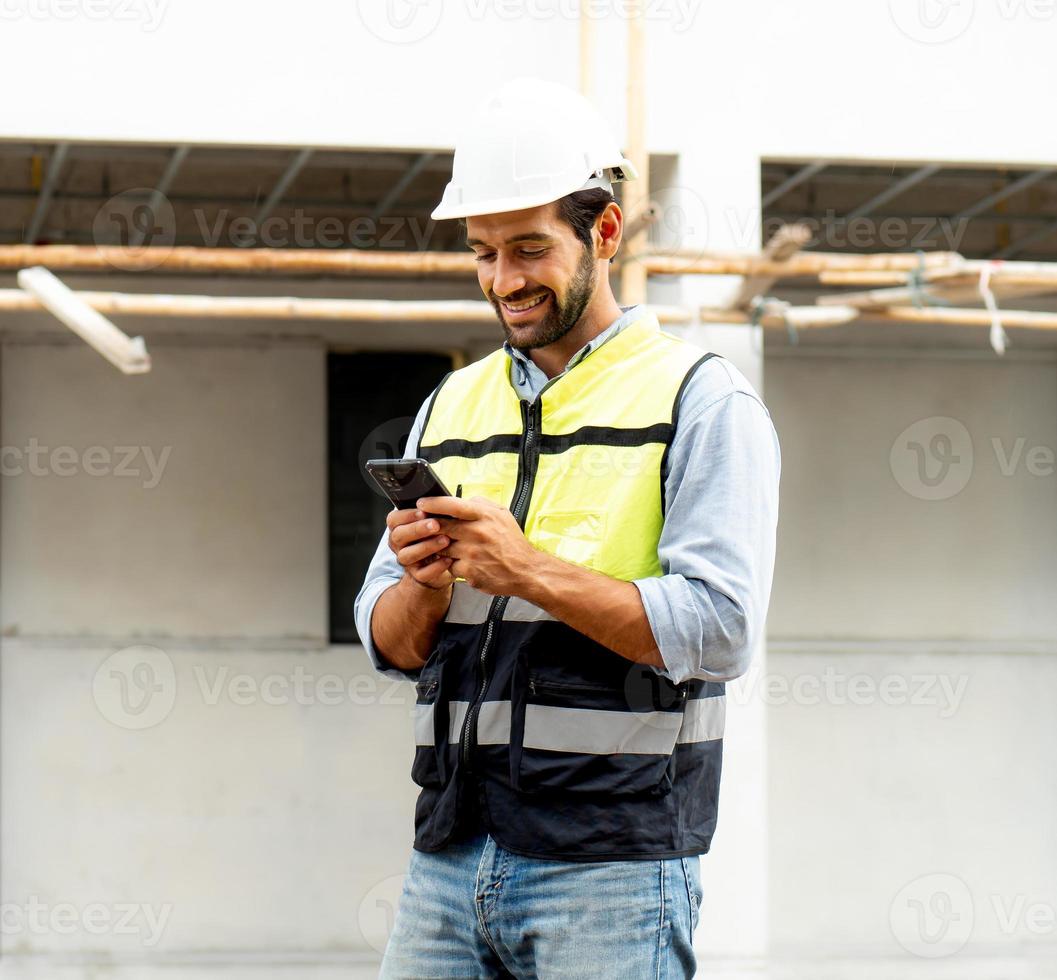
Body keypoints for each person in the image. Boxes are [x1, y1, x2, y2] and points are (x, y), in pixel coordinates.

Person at [354, 76, 781, 979]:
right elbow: (389, 645)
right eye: (482, 253)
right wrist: (424, 583)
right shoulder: (450, 404)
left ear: (605, 232)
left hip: (612, 867)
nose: (504, 281)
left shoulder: (700, 401)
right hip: (449, 853)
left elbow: (721, 629)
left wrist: (526, 569)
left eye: (529, 249)